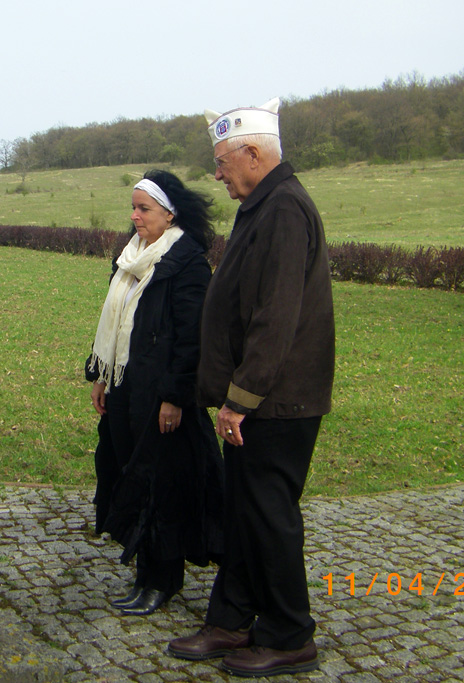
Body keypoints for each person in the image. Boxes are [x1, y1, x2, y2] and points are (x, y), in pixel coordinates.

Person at [166, 98, 335, 677]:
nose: (217, 174)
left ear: (255, 153)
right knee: (244, 511)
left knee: (268, 513)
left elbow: (276, 316)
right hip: (258, 400)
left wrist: (242, 398)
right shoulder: (263, 206)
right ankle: (233, 619)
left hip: (276, 402)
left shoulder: (284, 208)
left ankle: (290, 633)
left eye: (222, 162)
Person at [87, 170, 225, 617]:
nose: (134, 216)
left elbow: (192, 338)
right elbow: (114, 320)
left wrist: (174, 397)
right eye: (133, 208)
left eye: (143, 209)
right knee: (131, 474)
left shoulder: (186, 261)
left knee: (161, 486)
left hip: (162, 396)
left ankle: (163, 580)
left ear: (170, 213)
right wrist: (101, 376)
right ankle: (144, 571)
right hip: (127, 385)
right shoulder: (131, 255)